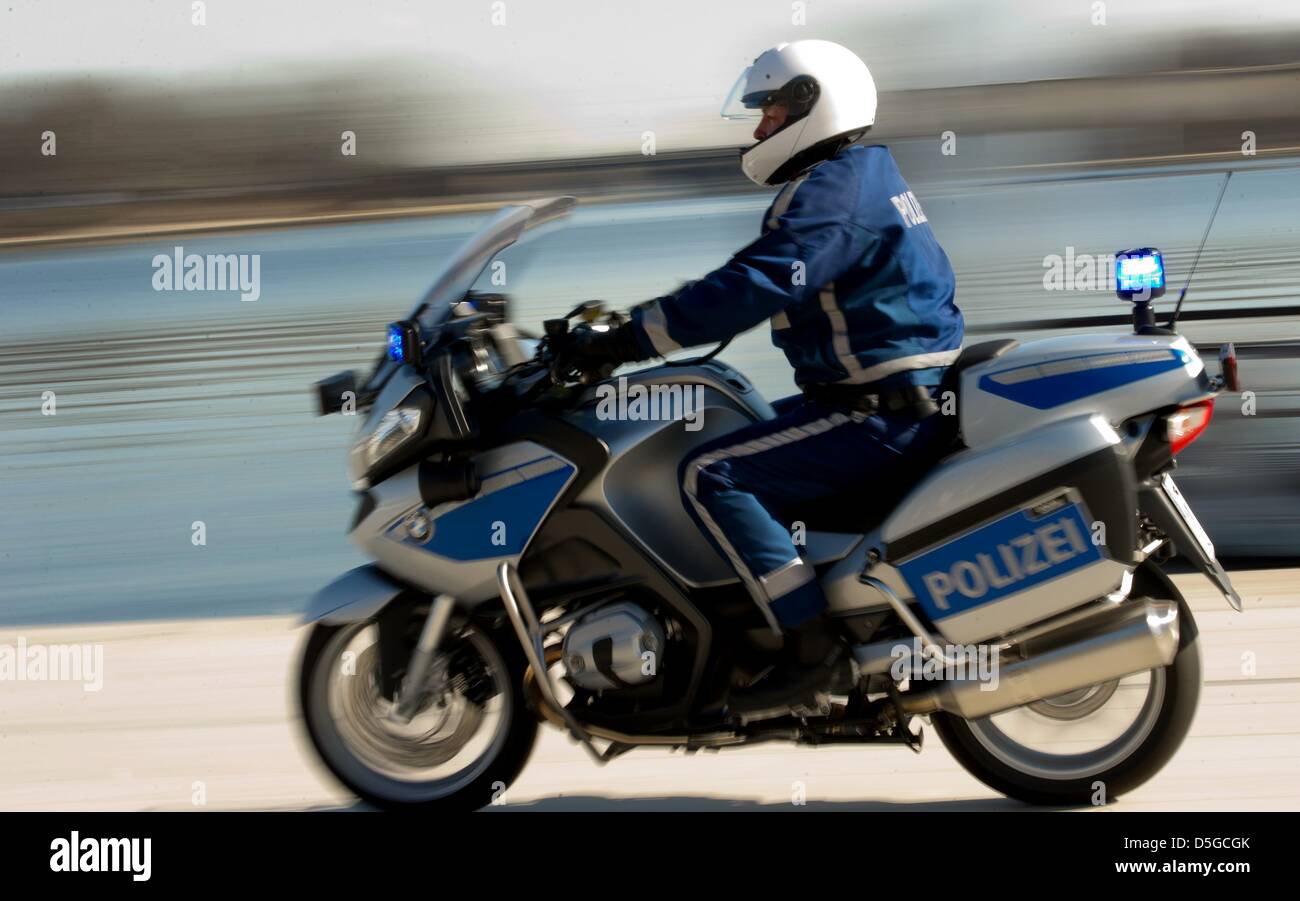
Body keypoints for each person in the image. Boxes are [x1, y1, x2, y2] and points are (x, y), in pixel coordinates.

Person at [565, 39, 965, 714]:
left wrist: (630, 337)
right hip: (885, 399)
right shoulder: (862, 178)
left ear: (813, 104)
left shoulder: (833, 195)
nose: (758, 129)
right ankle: (751, 618)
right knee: (733, 421)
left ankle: (810, 645)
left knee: (709, 472)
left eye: (770, 111)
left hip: (875, 415)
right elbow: (763, 279)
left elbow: (755, 283)